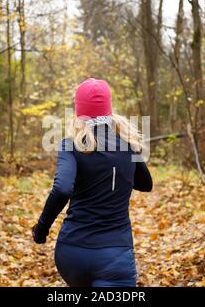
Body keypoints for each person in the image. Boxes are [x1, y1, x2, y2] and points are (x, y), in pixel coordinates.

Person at [32, 78, 153, 287]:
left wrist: (41, 229)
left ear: (78, 112)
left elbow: (62, 189)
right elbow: (145, 183)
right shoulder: (127, 145)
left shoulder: (71, 146)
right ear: (109, 109)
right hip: (115, 256)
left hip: (72, 254)